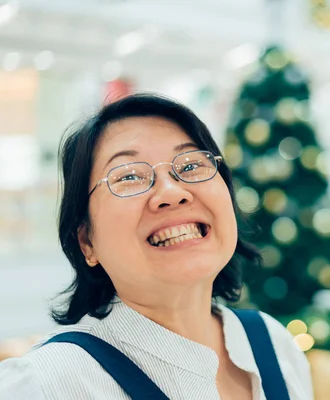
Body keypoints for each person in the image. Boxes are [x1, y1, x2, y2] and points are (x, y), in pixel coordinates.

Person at [0, 93, 313, 400]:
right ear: (86, 241)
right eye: (130, 176)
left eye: (191, 166)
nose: (171, 192)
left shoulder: (272, 344)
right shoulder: (45, 385)